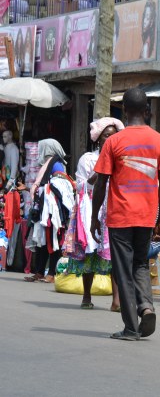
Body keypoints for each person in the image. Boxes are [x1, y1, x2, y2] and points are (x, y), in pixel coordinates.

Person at [91, 88, 160, 341]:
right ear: (147, 110)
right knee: (140, 263)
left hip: (120, 216)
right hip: (146, 215)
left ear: (124, 110)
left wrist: (95, 215)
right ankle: (146, 307)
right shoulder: (159, 140)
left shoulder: (113, 142)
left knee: (122, 270)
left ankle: (130, 327)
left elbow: (101, 183)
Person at [69, 118, 125, 311]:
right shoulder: (88, 159)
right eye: (107, 136)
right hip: (92, 209)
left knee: (115, 254)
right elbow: (81, 185)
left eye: (114, 136)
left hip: (114, 208)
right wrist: (100, 170)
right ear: (98, 139)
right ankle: (86, 295)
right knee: (90, 252)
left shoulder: (122, 159)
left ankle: (116, 300)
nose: (110, 139)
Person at [24, 139, 72, 284]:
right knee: (42, 242)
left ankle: (51, 273)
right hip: (44, 207)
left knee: (53, 241)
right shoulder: (48, 163)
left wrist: (41, 190)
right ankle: (39, 272)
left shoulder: (56, 164)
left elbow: (60, 184)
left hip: (53, 210)